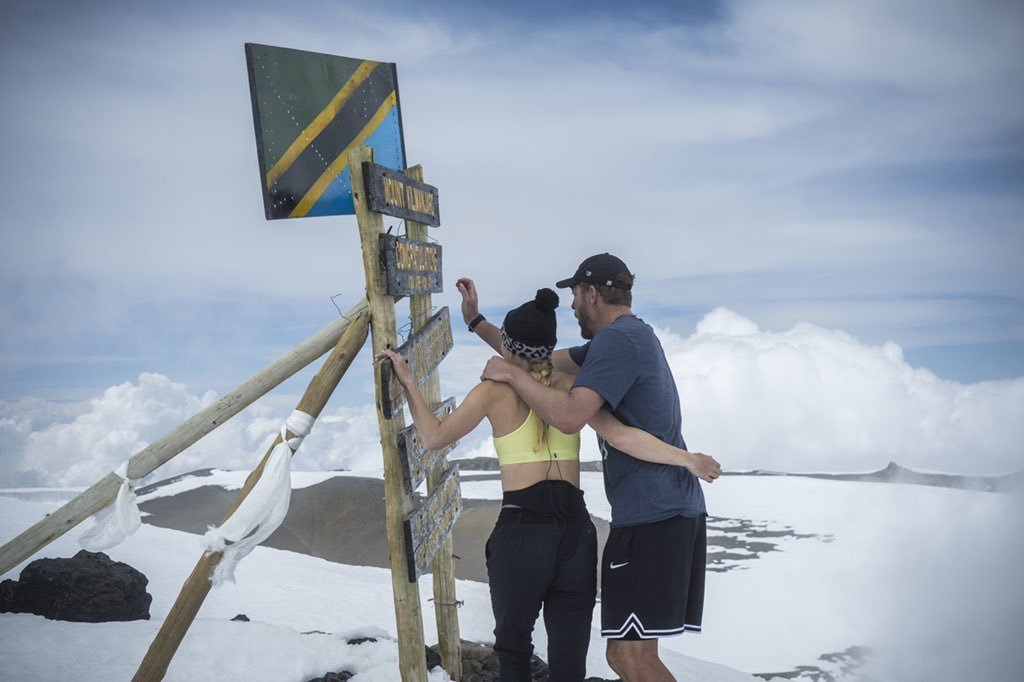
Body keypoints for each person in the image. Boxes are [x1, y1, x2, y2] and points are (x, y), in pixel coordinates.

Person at [377, 287, 717, 682]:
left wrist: (408, 382)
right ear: (549, 346)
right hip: (577, 534)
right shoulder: (574, 389)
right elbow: (621, 435)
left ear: (508, 346)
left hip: (523, 531)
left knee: (514, 649)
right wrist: (687, 459)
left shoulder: (494, 391)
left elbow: (434, 438)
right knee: (570, 660)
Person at [472, 254, 720, 682]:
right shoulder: (626, 338)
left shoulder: (616, 344)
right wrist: (476, 323)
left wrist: (511, 380)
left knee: (631, 659)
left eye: (574, 296)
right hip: (659, 511)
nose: (570, 307)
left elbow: (567, 415)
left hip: (655, 515)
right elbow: (532, 357)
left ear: (591, 293)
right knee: (626, 656)